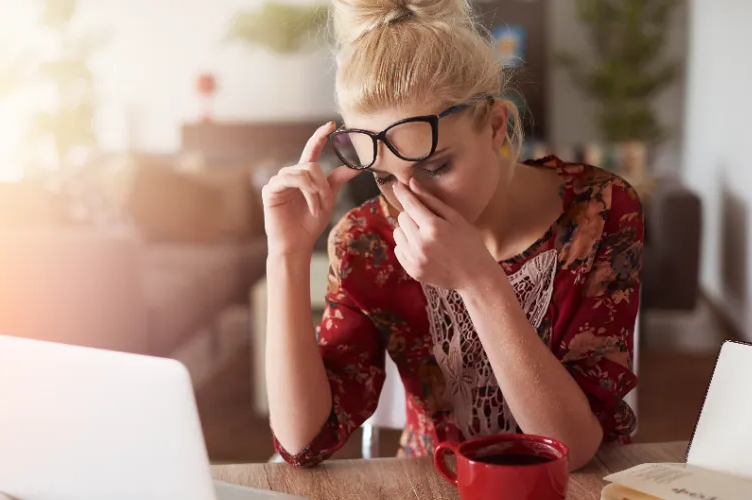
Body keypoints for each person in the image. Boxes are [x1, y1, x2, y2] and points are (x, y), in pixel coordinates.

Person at [262, 0, 643, 471]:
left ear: (496, 126)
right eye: (384, 177)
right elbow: (303, 443)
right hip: (433, 482)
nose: (412, 201)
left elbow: (573, 449)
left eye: (437, 166)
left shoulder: (599, 211)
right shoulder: (367, 241)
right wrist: (286, 254)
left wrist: (479, 282)